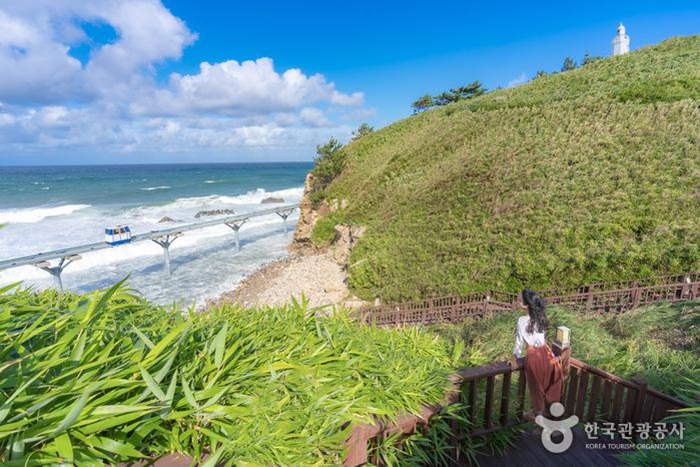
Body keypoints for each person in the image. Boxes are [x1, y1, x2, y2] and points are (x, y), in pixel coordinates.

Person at [507, 288, 569, 419]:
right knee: (544, 384)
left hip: (534, 356)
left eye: (520, 299)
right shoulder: (541, 317)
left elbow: (518, 344)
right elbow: (540, 339)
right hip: (546, 353)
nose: (517, 301)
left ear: (526, 305)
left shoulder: (521, 320)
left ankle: (540, 422)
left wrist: (514, 358)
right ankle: (540, 415)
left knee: (535, 388)